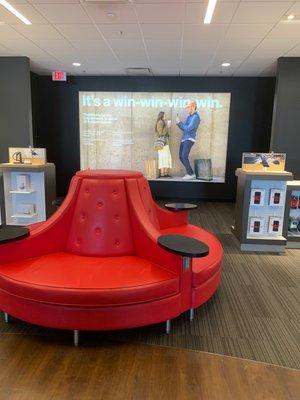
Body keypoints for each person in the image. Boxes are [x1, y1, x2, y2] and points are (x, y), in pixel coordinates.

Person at [176, 100, 201, 180]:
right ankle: (191, 173)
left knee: (184, 156)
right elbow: (184, 128)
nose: (187, 109)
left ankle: (190, 174)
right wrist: (178, 123)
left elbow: (188, 128)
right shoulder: (189, 117)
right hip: (184, 139)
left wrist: (180, 123)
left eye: (188, 107)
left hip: (189, 139)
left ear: (193, 107)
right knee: (181, 156)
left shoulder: (196, 117)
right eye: (187, 107)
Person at [155, 111, 172, 177]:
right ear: (162, 116)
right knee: (163, 157)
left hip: (165, 143)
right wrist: (167, 126)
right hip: (162, 143)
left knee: (166, 157)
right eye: (165, 115)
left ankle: (165, 173)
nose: (166, 116)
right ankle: (162, 173)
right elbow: (161, 133)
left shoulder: (162, 122)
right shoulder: (160, 122)